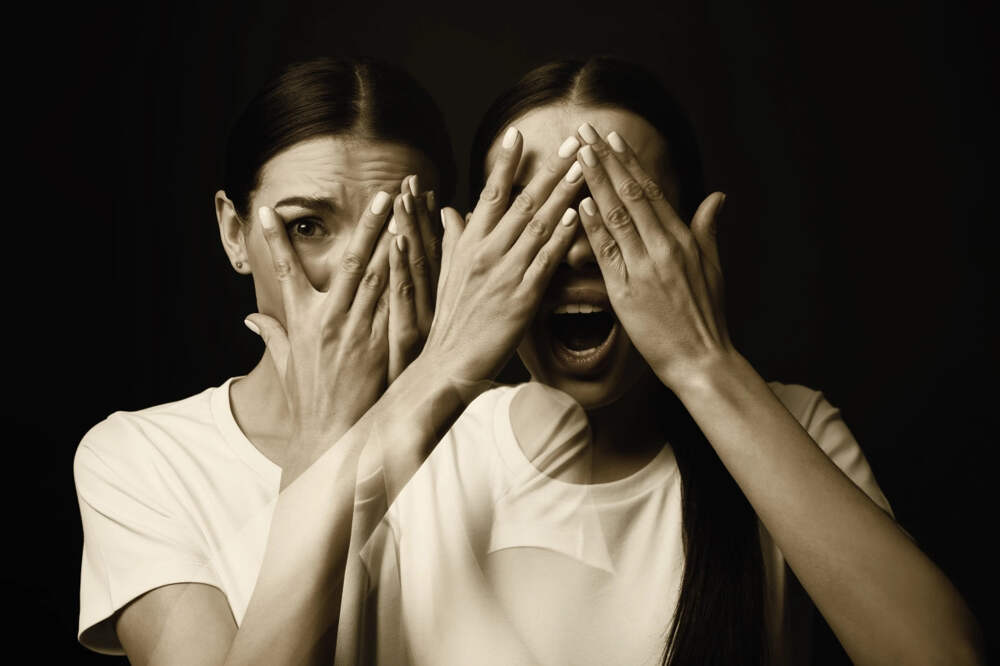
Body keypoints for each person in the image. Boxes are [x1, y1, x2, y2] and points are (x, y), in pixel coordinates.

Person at [335, 57, 985, 665]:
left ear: (690, 242)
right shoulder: (417, 452)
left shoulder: (794, 425)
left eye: (620, 207)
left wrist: (704, 362)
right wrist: (442, 368)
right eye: (536, 213)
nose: (577, 251)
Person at [74, 55, 456, 663]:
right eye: (307, 227)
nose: (349, 269)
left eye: (392, 226)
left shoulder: (518, 435)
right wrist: (325, 437)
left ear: (440, 238)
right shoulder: (145, 458)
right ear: (235, 233)